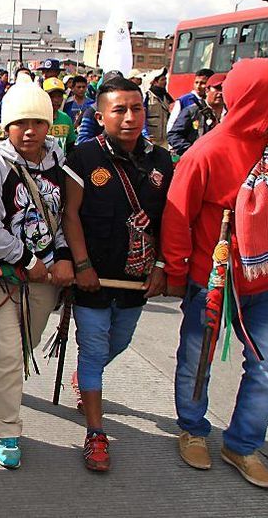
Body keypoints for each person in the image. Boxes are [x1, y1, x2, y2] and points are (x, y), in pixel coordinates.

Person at [163, 58, 268, 489]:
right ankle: (193, 428)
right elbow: (177, 218)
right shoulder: (205, 153)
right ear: (261, 100)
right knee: (196, 361)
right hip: (214, 280)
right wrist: (179, 272)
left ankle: (241, 444)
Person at [62, 77, 173, 471]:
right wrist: (82, 265)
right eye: (119, 110)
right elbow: (70, 214)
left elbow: (166, 221)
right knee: (93, 350)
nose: (129, 117)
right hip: (92, 280)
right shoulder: (83, 158)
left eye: (136, 108)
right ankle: (95, 433)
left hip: (135, 281)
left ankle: (84, 377)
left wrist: (161, 266)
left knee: (119, 343)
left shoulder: (161, 160)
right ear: (101, 115)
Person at [0, 77, 74, 470]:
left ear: (50, 125)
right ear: (6, 126)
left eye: (38, 122)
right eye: (20, 123)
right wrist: (24, 259)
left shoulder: (61, 163)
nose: (29, 131)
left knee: (26, 342)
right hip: (2, 274)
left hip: (44, 276)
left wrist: (60, 256)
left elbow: (64, 218)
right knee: (10, 352)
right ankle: (8, 431)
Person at [168, 73, 225, 157]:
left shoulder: (230, 114)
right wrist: (193, 151)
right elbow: (173, 135)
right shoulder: (192, 111)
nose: (220, 93)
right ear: (207, 90)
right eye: (217, 88)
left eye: (224, 89)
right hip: (196, 161)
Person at [44, 77, 76, 153]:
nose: (56, 100)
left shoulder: (66, 118)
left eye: (59, 96)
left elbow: (70, 145)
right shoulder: (36, 119)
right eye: (52, 96)